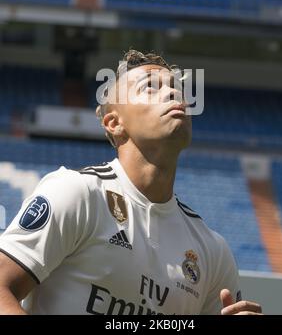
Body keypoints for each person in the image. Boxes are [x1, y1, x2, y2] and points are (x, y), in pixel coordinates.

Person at [0, 50, 262, 315]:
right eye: (150, 87)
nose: (173, 94)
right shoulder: (77, 194)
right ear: (114, 123)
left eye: (177, 89)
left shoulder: (213, 252)